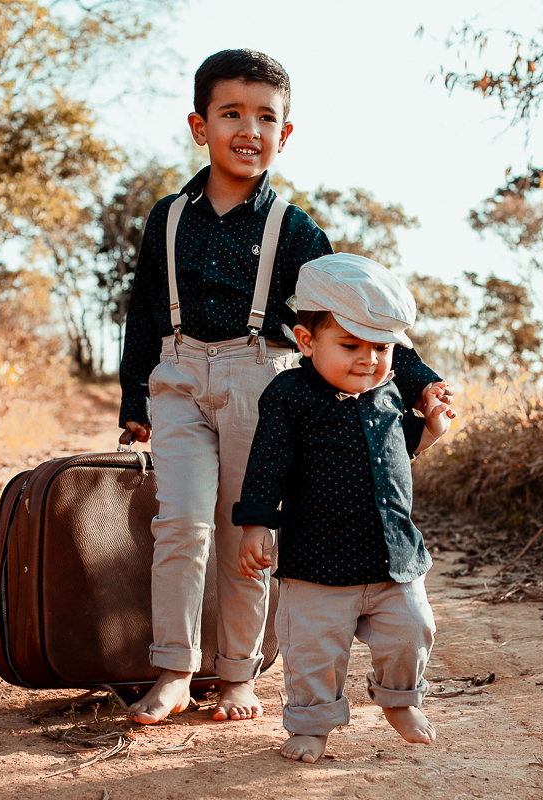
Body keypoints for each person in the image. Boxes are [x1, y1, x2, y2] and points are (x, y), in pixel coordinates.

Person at [118, 49, 450, 724]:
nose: (249, 128)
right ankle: (175, 668)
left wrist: (421, 384)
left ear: (286, 133)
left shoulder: (294, 230)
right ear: (198, 126)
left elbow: (353, 315)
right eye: (231, 112)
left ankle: (238, 676)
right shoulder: (167, 218)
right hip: (178, 377)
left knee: (247, 531)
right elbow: (143, 309)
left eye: (266, 116)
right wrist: (135, 401)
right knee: (179, 524)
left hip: (256, 382)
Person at [233, 253, 454, 763]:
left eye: (380, 347)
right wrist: (256, 526)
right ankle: (312, 726)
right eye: (349, 345)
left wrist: (432, 430)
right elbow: (267, 465)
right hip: (317, 561)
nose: (367, 359)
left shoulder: (389, 392)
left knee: (412, 630)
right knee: (313, 651)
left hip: (392, 556)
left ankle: (400, 700)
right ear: (307, 341)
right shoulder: (290, 394)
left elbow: (396, 449)